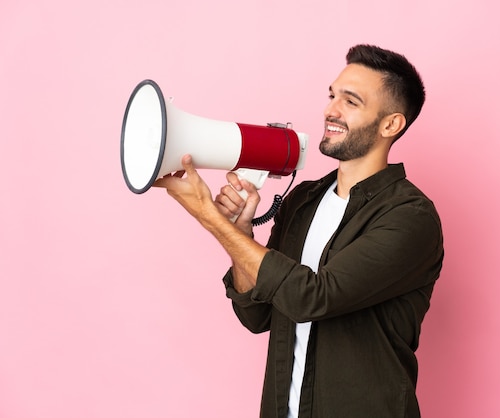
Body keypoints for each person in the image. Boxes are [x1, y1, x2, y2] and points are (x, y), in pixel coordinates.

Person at [154, 44, 444, 418]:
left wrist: (208, 216)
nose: (330, 110)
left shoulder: (409, 217)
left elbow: (312, 298)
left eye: (350, 101)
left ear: (391, 124)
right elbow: (257, 317)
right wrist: (240, 233)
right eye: (332, 96)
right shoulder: (304, 200)